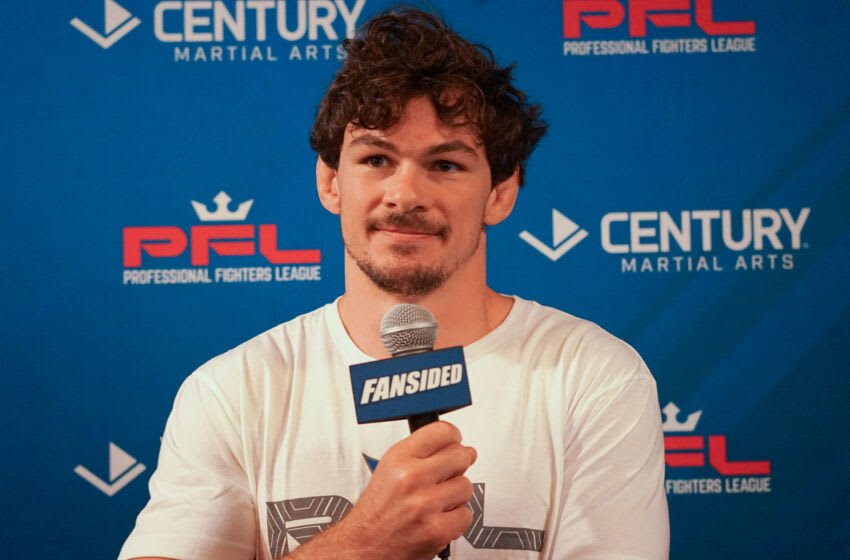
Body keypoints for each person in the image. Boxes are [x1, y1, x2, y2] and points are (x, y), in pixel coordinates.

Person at [120, 8, 668, 560]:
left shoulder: (592, 377)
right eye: (377, 158)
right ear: (332, 182)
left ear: (500, 193)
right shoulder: (234, 390)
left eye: (446, 165)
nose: (405, 195)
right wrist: (363, 543)